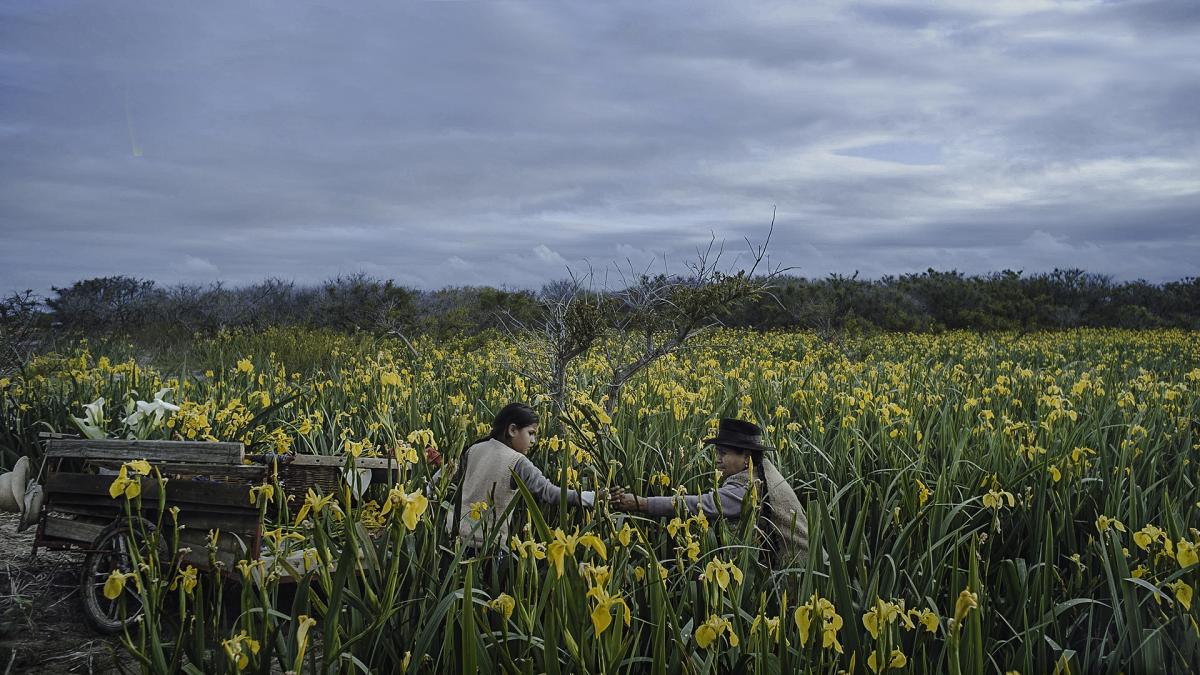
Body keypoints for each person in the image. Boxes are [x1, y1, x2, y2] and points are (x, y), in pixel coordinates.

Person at [611, 418, 808, 567]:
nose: (717, 460)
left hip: (797, 571)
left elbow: (704, 504)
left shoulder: (750, 486)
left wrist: (640, 503)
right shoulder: (764, 469)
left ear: (746, 457)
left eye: (723, 453)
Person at [445, 402, 596, 552]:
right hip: (489, 545)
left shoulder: (473, 449)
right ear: (512, 430)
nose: (533, 441)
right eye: (530, 433)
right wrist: (592, 498)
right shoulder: (517, 462)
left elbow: (449, 478)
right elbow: (551, 493)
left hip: (455, 537)